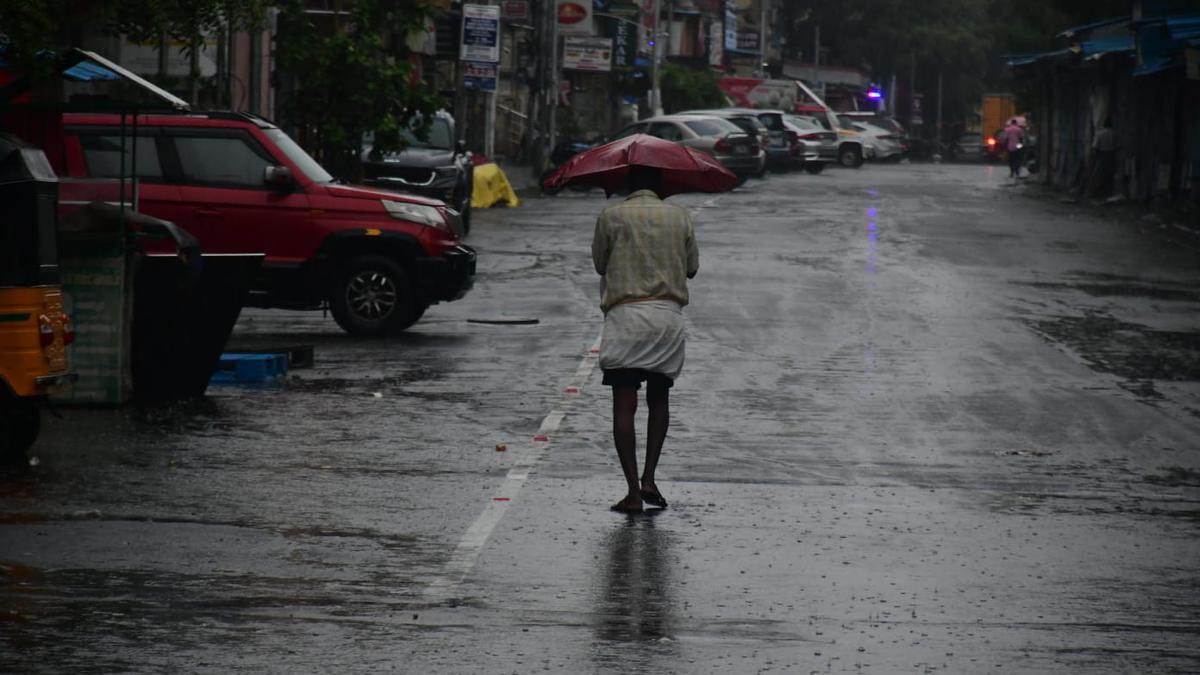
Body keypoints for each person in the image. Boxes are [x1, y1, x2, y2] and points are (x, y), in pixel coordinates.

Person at [591, 164, 699, 514]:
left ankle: (632, 492)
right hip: (666, 319)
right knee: (659, 398)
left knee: (624, 405)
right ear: (660, 185)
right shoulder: (680, 217)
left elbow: (599, 263)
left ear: (627, 183)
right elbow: (692, 268)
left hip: (626, 318)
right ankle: (650, 477)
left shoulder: (611, 215)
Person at [1091, 117, 1118, 198]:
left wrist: (1094, 158)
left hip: (1102, 155)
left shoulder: (1099, 133)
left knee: (1100, 174)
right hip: (1112, 155)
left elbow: (1095, 147)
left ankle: (1099, 192)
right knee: (1110, 175)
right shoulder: (1114, 133)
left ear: (1104, 124)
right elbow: (1118, 146)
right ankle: (1109, 192)